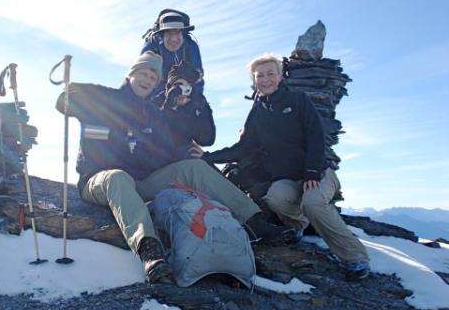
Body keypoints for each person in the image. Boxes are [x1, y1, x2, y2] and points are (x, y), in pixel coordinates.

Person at [56, 51, 294, 284]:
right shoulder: (103, 96)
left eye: (153, 78)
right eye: (144, 73)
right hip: (99, 180)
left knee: (194, 167)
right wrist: (70, 93)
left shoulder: (152, 113)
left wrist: (190, 153)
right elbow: (63, 102)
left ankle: (255, 222)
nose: (148, 80)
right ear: (131, 74)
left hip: (141, 182)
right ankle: (150, 252)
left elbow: (166, 151)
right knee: (117, 177)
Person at [194, 53, 370, 281]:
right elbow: (243, 148)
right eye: (260, 76)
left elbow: (316, 137)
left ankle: (355, 257)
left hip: (319, 173)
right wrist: (207, 157)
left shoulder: (298, 101)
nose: (265, 79)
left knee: (313, 203)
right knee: (275, 197)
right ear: (254, 80)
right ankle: (299, 225)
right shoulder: (258, 111)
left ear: (280, 76)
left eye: (270, 74)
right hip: (288, 179)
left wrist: (312, 171)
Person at [141, 9, 204, 98]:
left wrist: (194, 101)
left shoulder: (191, 47)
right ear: (161, 35)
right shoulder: (151, 47)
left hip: (184, 97)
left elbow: (198, 80)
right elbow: (142, 81)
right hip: (154, 98)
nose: (173, 39)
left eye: (177, 32)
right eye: (169, 33)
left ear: (183, 34)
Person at [153, 60, 215, 147]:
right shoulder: (155, 102)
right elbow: (158, 137)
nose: (182, 92)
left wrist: (203, 109)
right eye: (178, 86)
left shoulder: (194, 104)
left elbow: (207, 140)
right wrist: (169, 106)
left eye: (187, 88)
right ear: (169, 88)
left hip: (182, 152)